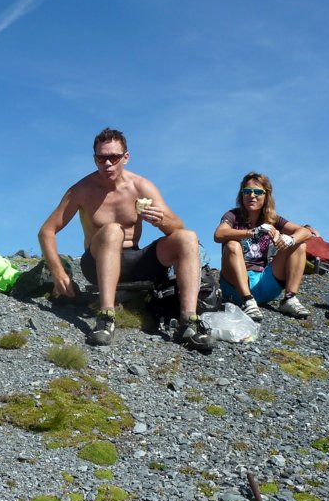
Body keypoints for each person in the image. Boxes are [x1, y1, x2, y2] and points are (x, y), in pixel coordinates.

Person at [37, 128, 215, 351]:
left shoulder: (140, 186)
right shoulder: (82, 190)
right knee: (113, 230)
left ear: (126, 158)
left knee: (188, 238)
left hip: (135, 259)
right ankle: (106, 317)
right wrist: (58, 272)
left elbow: (177, 227)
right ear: (95, 159)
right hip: (96, 262)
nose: (108, 164)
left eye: (114, 157)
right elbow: (46, 231)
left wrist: (161, 221)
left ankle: (189, 322)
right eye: (101, 158)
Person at [212, 172, 312, 321]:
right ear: (242, 195)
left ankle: (290, 298)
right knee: (232, 245)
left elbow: (305, 232)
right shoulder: (232, 215)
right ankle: (247, 300)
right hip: (235, 286)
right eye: (247, 191)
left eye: (258, 191)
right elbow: (219, 234)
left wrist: (289, 239)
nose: (252, 195)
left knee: (299, 245)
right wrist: (251, 232)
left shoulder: (272, 219)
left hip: (264, 283)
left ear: (266, 196)